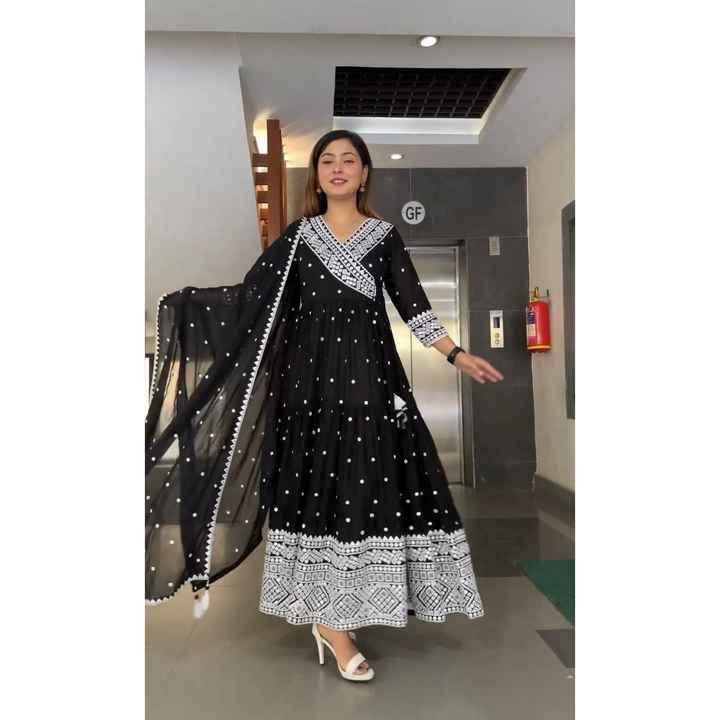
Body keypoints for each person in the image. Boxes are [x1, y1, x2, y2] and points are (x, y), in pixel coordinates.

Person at [145, 129, 504, 682]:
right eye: (327, 160)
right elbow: (252, 299)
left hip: (371, 385)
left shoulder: (383, 237)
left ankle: (344, 609)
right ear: (317, 175)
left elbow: (414, 306)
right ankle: (331, 623)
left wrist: (455, 354)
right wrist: (189, 305)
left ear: (364, 174)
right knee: (320, 490)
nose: (337, 168)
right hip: (308, 391)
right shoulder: (297, 239)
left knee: (365, 488)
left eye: (348, 160)